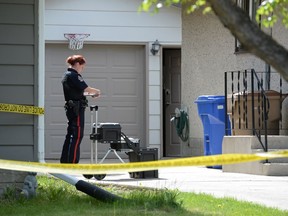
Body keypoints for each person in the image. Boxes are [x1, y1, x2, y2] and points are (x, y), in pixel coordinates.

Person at [60, 55, 100, 163]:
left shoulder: (66, 75)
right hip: (76, 109)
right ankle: (72, 162)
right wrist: (97, 92)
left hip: (71, 108)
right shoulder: (74, 75)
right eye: (83, 66)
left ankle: (65, 161)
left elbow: (79, 92)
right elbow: (87, 89)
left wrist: (90, 94)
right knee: (77, 135)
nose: (83, 68)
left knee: (70, 135)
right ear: (77, 64)